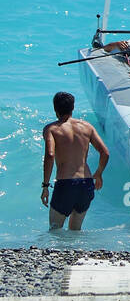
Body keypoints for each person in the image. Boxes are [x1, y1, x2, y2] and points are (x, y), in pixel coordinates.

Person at [41, 92, 109, 231]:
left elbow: (50, 154)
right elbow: (105, 152)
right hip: (86, 184)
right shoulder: (87, 127)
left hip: (66, 184)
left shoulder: (52, 129)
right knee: (75, 230)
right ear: (72, 108)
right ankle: (76, 252)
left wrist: (46, 186)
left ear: (55, 109)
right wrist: (99, 173)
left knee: (55, 229)